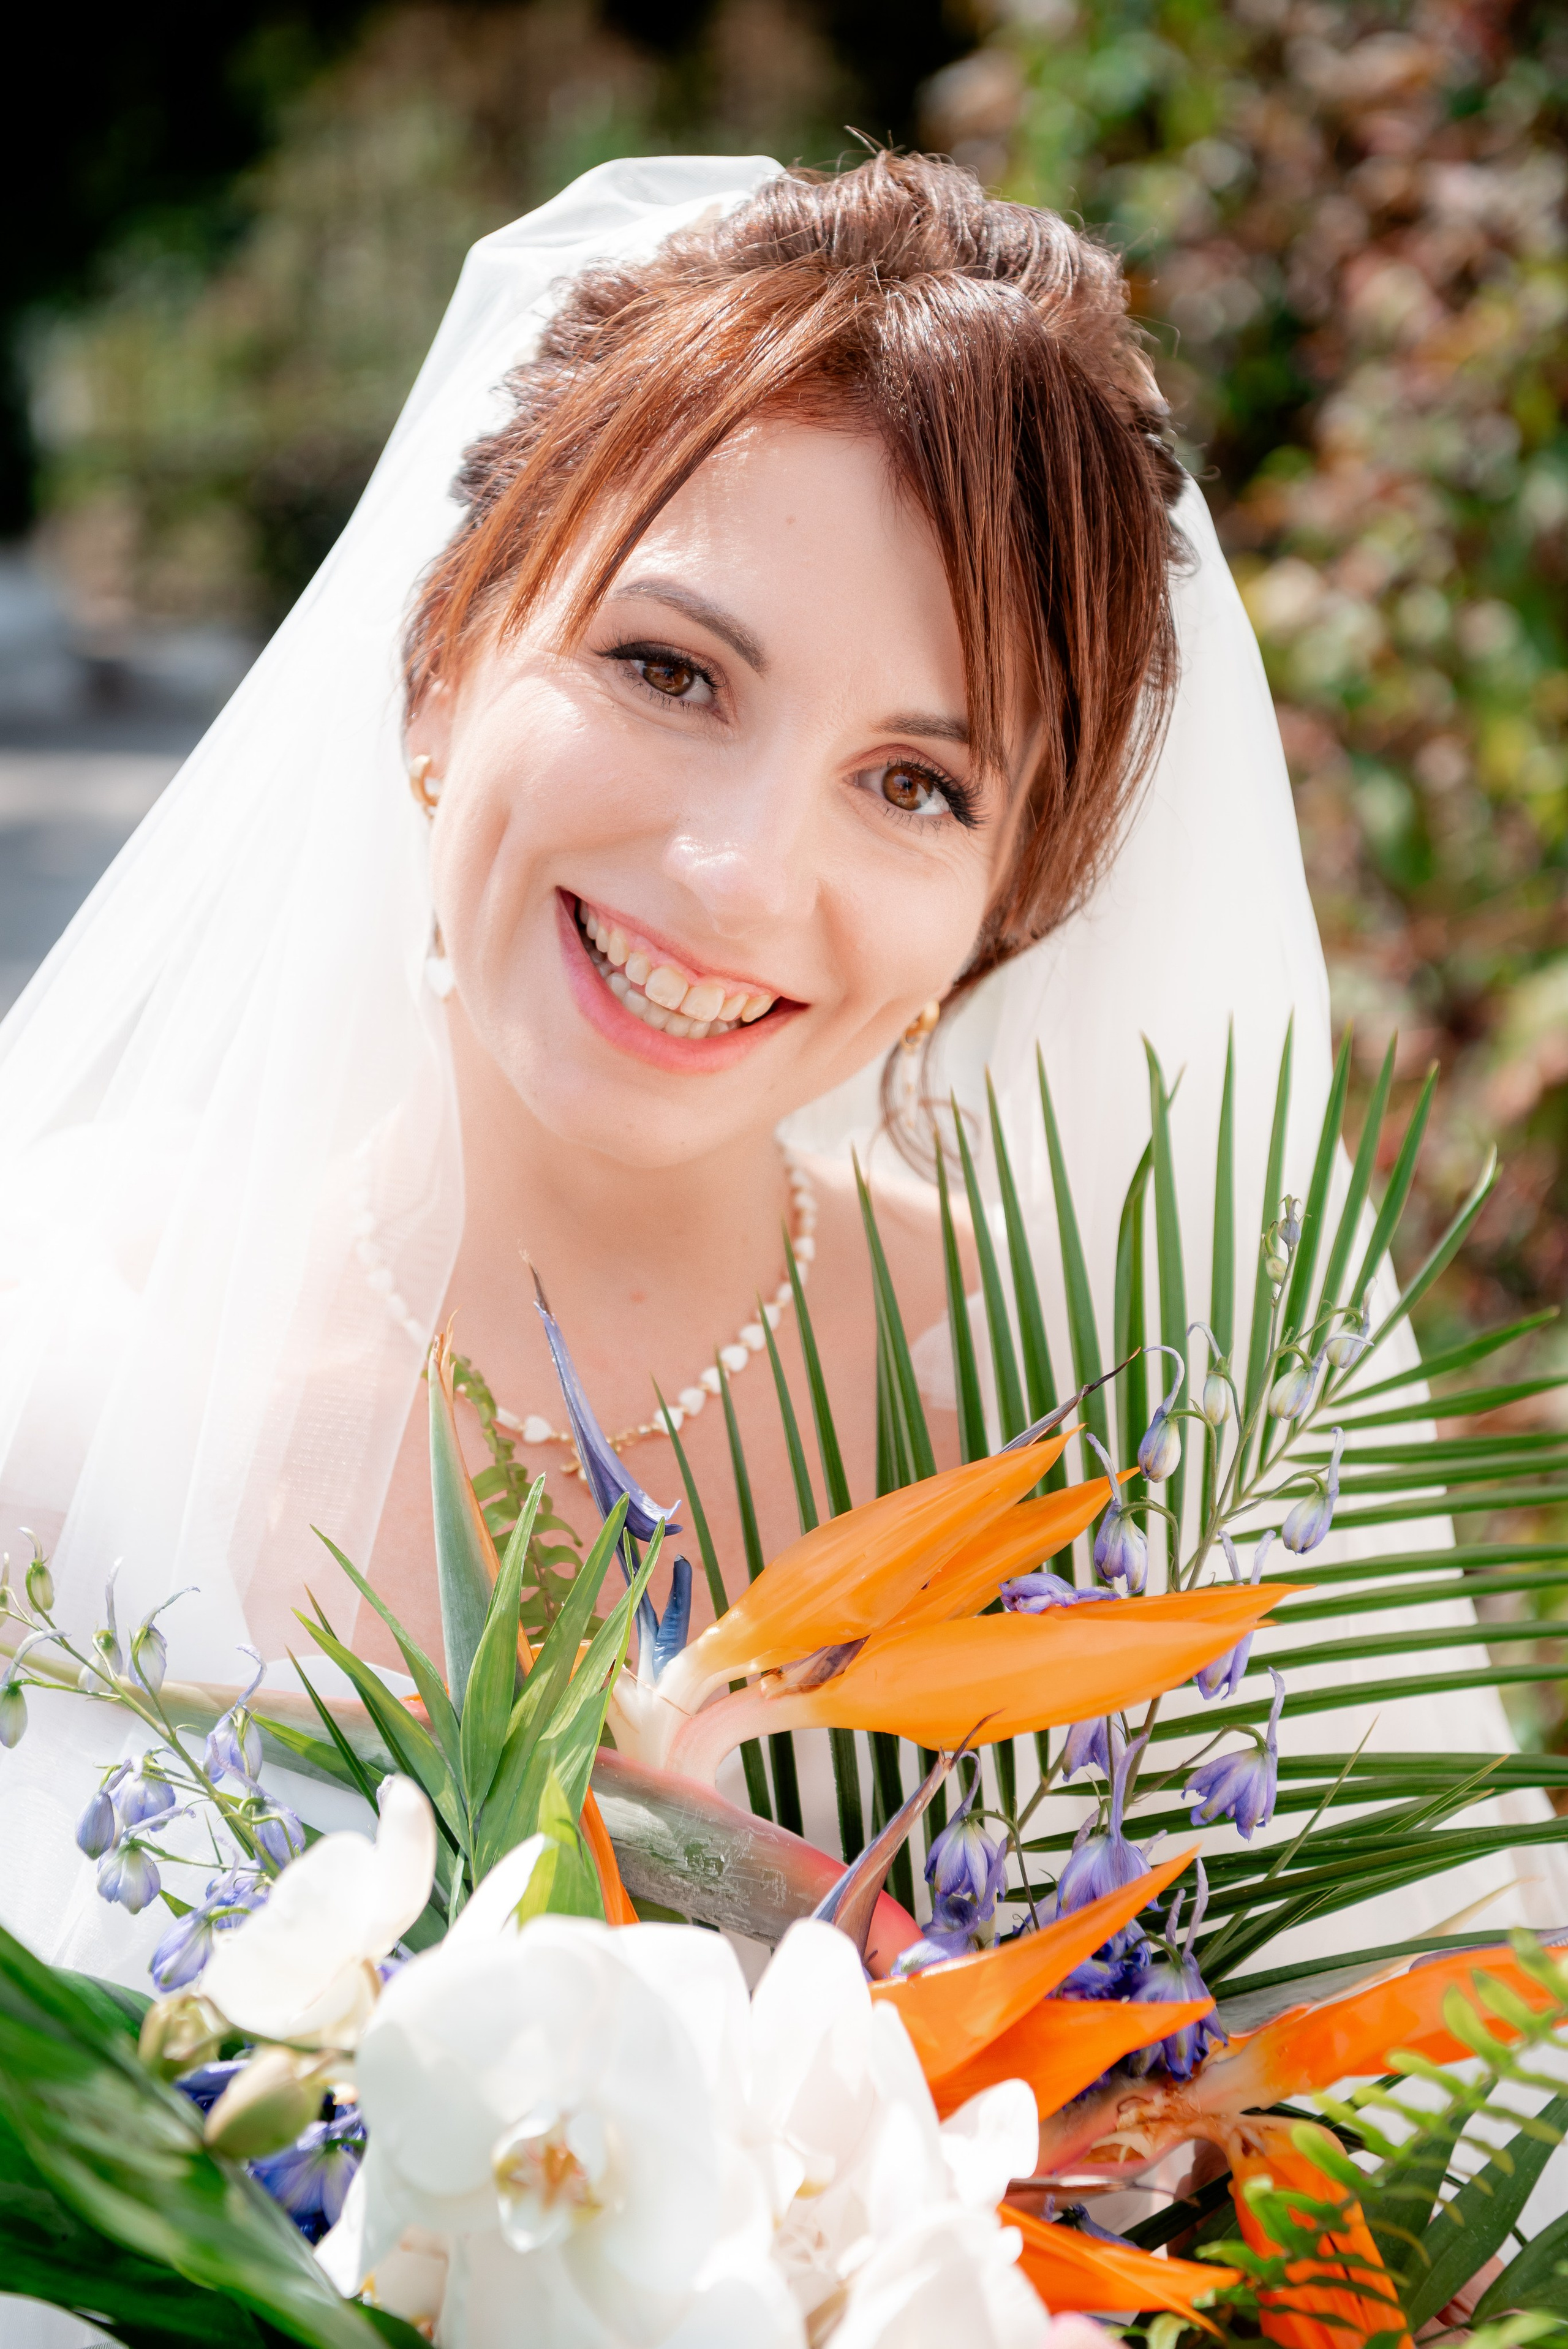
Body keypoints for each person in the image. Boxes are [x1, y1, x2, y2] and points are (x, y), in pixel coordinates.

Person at [0, 151, 1558, 2015]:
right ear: (440, 666)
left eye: (916, 784)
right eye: (670, 669)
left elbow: (1354, 2207)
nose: (743, 875)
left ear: (1002, 904)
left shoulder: (1110, 1463)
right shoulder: (57, 1329)